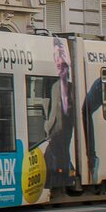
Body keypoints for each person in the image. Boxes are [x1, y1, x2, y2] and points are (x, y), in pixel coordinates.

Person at [41, 38, 77, 188]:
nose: (61, 68)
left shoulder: (65, 86)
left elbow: (59, 112)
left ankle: (66, 177)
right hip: (60, 129)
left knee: (59, 154)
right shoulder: (60, 86)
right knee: (58, 154)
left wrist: (48, 127)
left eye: (63, 66)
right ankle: (67, 177)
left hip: (63, 130)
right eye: (59, 65)